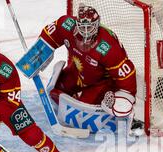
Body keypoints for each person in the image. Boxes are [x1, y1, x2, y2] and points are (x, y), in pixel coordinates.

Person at [37, 3, 142, 131]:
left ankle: (107, 104)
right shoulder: (66, 24)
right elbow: (50, 34)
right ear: (76, 22)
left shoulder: (108, 46)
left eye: (90, 27)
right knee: (55, 92)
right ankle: (77, 96)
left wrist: (124, 98)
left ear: (97, 24)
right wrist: (38, 54)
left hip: (99, 82)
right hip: (77, 71)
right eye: (83, 26)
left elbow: (127, 75)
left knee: (83, 111)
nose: (86, 31)